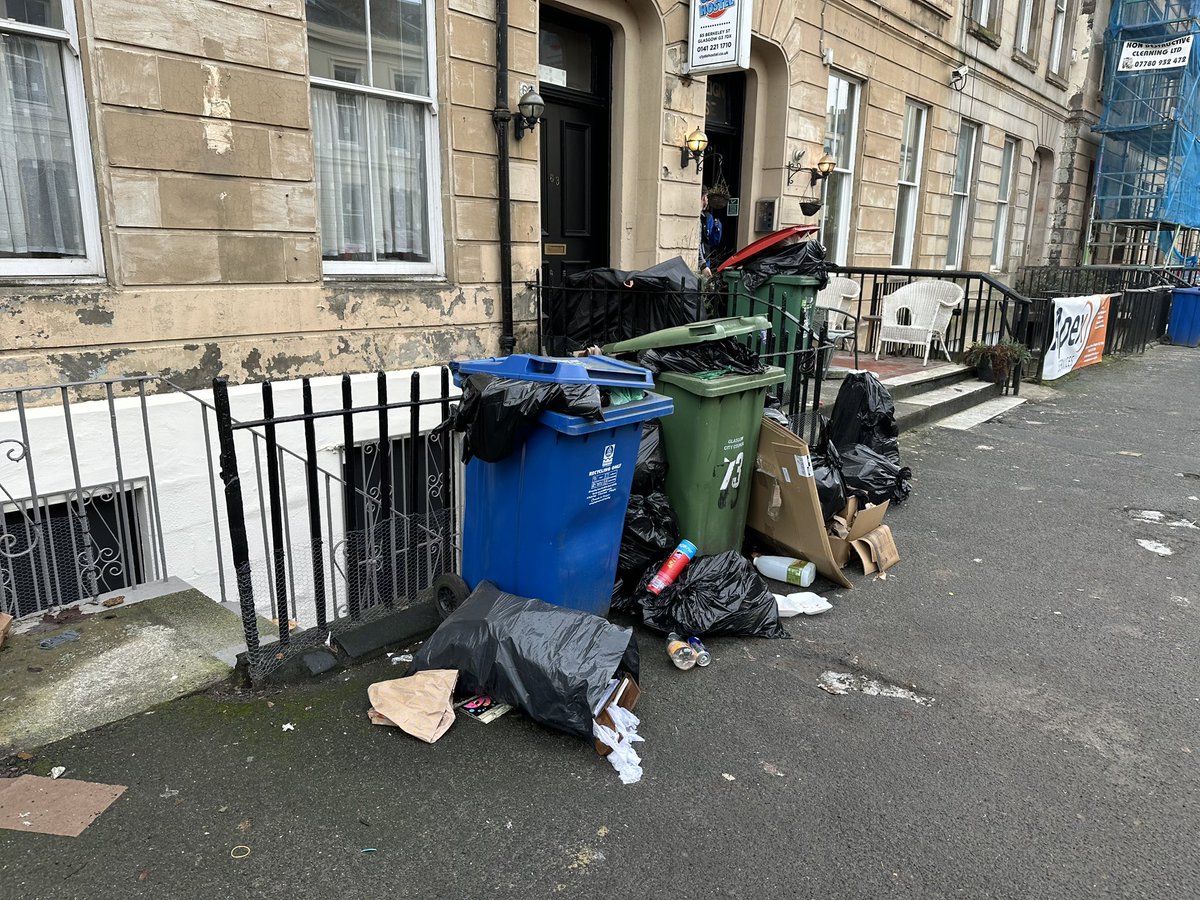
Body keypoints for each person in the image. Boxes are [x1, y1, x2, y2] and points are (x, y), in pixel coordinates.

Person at [699, 189, 722, 278]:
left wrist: (717, 229)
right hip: (702, 258)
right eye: (706, 197)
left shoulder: (708, 218)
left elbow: (713, 241)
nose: (707, 200)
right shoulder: (701, 217)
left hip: (705, 257)